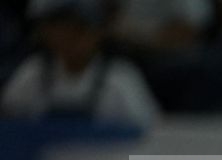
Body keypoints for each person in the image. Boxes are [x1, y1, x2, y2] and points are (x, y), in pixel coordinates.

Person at [1, 0, 161, 126]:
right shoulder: (32, 74)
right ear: (47, 33)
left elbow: (151, 135)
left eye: (79, 31)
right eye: (61, 31)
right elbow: (8, 125)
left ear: (98, 33)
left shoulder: (120, 80)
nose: (70, 40)